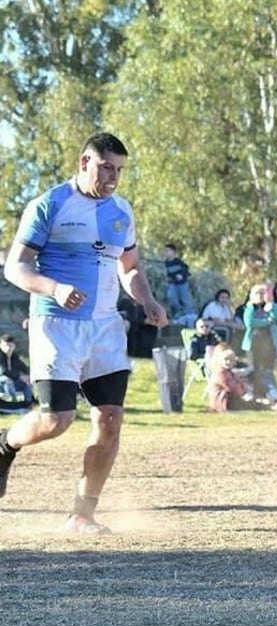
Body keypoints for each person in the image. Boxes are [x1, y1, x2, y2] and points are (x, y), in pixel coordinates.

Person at [0, 131, 168, 534]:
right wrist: (55, 287)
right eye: (106, 167)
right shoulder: (49, 205)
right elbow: (15, 267)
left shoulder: (121, 212)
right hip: (56, 324)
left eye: (119, 170)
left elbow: (129, 267)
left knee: (109, 419)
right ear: (84, 162)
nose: (113, 177)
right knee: (57, 420)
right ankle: (5, 444)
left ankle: (82, 512)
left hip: (106, 326)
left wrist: (147, 300)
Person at [241, 283, 277, 410]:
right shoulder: (250, 308)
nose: (261, 296)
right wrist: (267, 322)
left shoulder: (270, 306)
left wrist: (271, 307)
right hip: (254, 343)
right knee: (255, 370)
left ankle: (274, 395)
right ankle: (259, 395)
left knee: (267, 371)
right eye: (257, 293)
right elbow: (250, 322)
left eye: (263, 293)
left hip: (269, 343)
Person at [206, 343, 263, 412]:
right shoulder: (220, 374)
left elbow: (237, 382)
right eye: (226, 360)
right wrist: (243, 393)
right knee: (247, 403)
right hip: (221, 402)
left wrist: (245, 388)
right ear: (220, 360)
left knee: (251, 401)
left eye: (231, 360)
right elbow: (230, 387)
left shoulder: (229, 372)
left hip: (229, 398)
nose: (228, 362)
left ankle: (266, 403)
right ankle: (267, 404)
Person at [163, 242, 194, 322]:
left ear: (173, 252)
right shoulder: (165, 263)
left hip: (182, 284)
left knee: (185, 299)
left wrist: (181, 275)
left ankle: (190, 315)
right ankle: (178, 311)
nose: (165, 253)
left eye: (167, 251)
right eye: (164, 251)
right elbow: (165, 274)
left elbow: (186, 270)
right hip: (172, 284)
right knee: (171, 296)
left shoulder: (179, 262)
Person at [0, 334, 33, 404]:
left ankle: (28, 402)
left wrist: (28, 376)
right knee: (7, 379)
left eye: (10, 345)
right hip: (2, 382)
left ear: (14, 346)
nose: (8, 348)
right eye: (5, 345)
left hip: (13, 382)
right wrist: (20, 376)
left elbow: (24, 368)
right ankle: (14, 403)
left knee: (27, 381)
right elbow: (3, 371)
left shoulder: (15, 357)